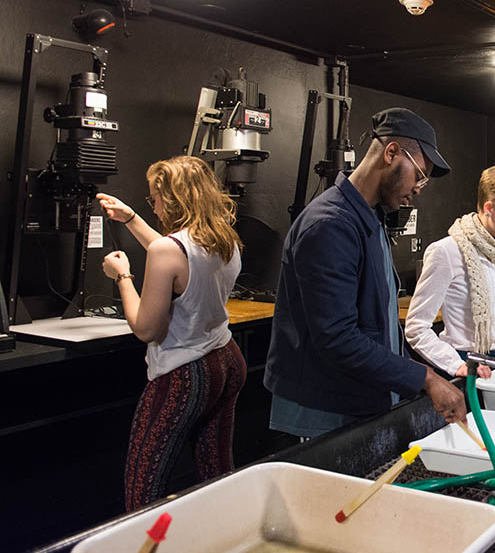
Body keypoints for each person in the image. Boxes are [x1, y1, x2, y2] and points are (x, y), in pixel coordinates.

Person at [263, 107, 466, 438]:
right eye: (419, 175)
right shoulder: (330, 224)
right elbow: (337, 337)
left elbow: (378, 322)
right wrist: (425, 378)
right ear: (391, 153)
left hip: (358, 394)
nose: (418, 189)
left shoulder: (370, 218)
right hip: (325, 405)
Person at [97, 156, 246, 511]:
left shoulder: (169, 250)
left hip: (185, 374)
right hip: (226, 361)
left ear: (175, 199)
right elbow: (174, 254)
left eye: (156, 199)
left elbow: (147, 328)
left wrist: (122, 277)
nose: (156, 206)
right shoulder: (224, 237)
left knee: (143, 486)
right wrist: (132, 218)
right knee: (217, 476)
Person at [405, 164, 495, 378]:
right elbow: (416, 329)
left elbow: (488, 322)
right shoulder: (446, 252)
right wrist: (456, 365)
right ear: (489, 208)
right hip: (463, 367)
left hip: (494, 361)